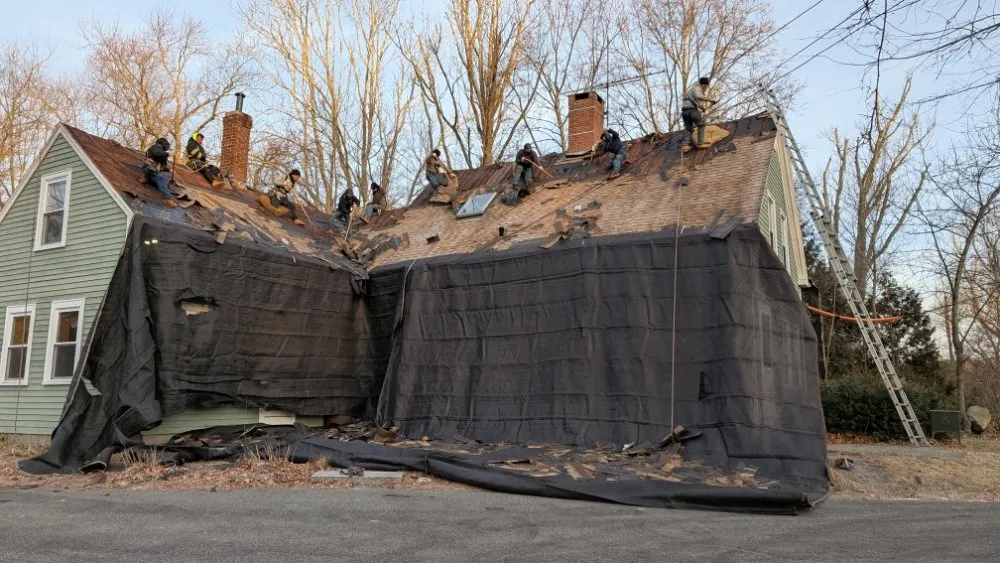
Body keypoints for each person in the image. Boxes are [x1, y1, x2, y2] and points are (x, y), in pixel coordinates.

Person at [681, 76, 719, 150]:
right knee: (701, 124)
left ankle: (686, 145)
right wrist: (710, 100)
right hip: (692, 111)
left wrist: (702, 108)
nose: (705, 88)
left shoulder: (690, 92)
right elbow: (698, 96)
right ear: (703, 84)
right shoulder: (697, 88)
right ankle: (700, 142)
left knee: (688, 128)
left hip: (684, 112)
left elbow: (696, 102)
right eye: (705, 86)